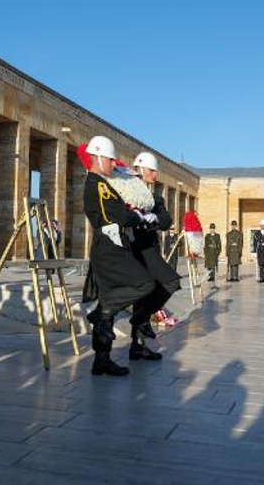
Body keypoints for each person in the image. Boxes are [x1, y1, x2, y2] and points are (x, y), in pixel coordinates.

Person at [82, 136, 166, 376]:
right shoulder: (97, 184)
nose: (112, 163)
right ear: (97, 157)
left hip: (113, 246)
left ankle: (102, 358)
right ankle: (101, 313)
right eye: (109, 159)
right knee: (143, 284)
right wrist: (137, 217)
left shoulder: (105, 182)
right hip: (108, 249)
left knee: (112, 297)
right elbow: (117, 214)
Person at [130, 151, 181, 360]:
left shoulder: (156, 198)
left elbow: (167, 220)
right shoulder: (128, 194)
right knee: (139, 296)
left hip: (150, 250)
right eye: (152, 170)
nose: (155, 175)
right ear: (141, 169)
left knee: (168, 283)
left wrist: (153, 217)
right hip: (134, 250)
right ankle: (136, 344)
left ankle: (140, 321)